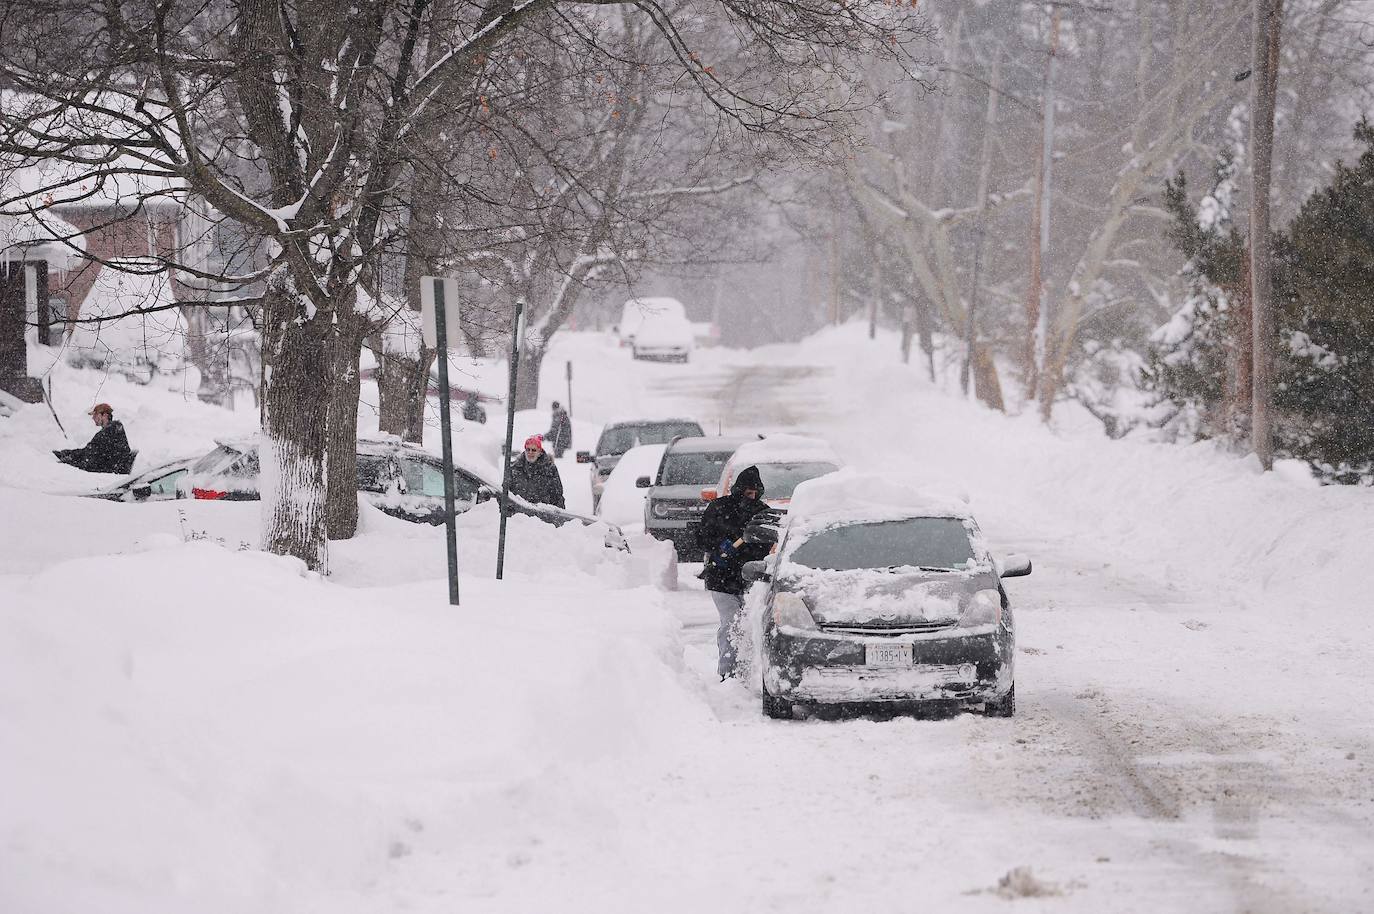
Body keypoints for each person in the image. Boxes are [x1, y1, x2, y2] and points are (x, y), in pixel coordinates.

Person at [696, 465, 771, 680]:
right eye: (748, 492)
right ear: (739, 489)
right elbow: (702, 539)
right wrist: (720, 546)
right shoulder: (719, 508)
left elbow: (767, 545)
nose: (753, 496)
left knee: (749, 626)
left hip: (752, 580)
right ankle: (728, 674)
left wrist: (748, 548)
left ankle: (747, 672)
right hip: (722, 579)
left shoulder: (762, 513)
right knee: (731, 624)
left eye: (756, 492)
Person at [53, 402, 135, 474]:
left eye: (95, 415)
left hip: (111, 470)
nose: (93, 418)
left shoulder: (108, 432)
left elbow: (90, 455)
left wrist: (70, 461)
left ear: (105, 415)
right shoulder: (114, 429)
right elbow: (89, 451)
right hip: (112, 467)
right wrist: (67, 453)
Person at [507, 435, 565, 509]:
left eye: (534, 450)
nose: (530, 452)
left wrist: (560, 518)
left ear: (539, 451)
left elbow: (557, 496)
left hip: (541, 516)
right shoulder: (514, 467)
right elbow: (506, 493)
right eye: (528, 449)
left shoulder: (550, 469)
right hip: (517, 516)